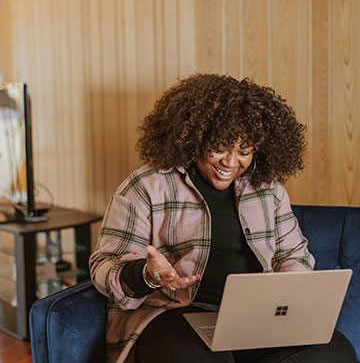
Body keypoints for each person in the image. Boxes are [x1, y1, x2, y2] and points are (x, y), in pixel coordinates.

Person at [90, 74, 356, 363]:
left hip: (255, 318)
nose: (230, 163)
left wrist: (286, 295)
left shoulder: (269, 190)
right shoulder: (147, 186)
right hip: (173, 315)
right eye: (219, 148)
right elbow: (103, 268)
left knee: (335, 351)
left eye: (244, 152)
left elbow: (294, 255)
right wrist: (147, 274)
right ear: (195, 139)